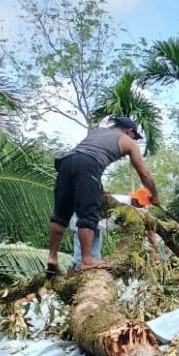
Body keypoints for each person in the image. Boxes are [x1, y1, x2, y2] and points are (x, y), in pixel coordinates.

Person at [47, 117, 159, 274]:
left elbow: (84, 156)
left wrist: (98, 187)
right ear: (129, 131)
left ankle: (52, 258)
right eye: (135, 136)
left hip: (66, 161)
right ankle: (87, 260)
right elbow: (144, 174)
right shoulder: (127, 141)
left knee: (60, 215)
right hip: (88, 165)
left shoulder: (97, 132)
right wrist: (154, 195)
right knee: (88, 214)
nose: (134, 140)